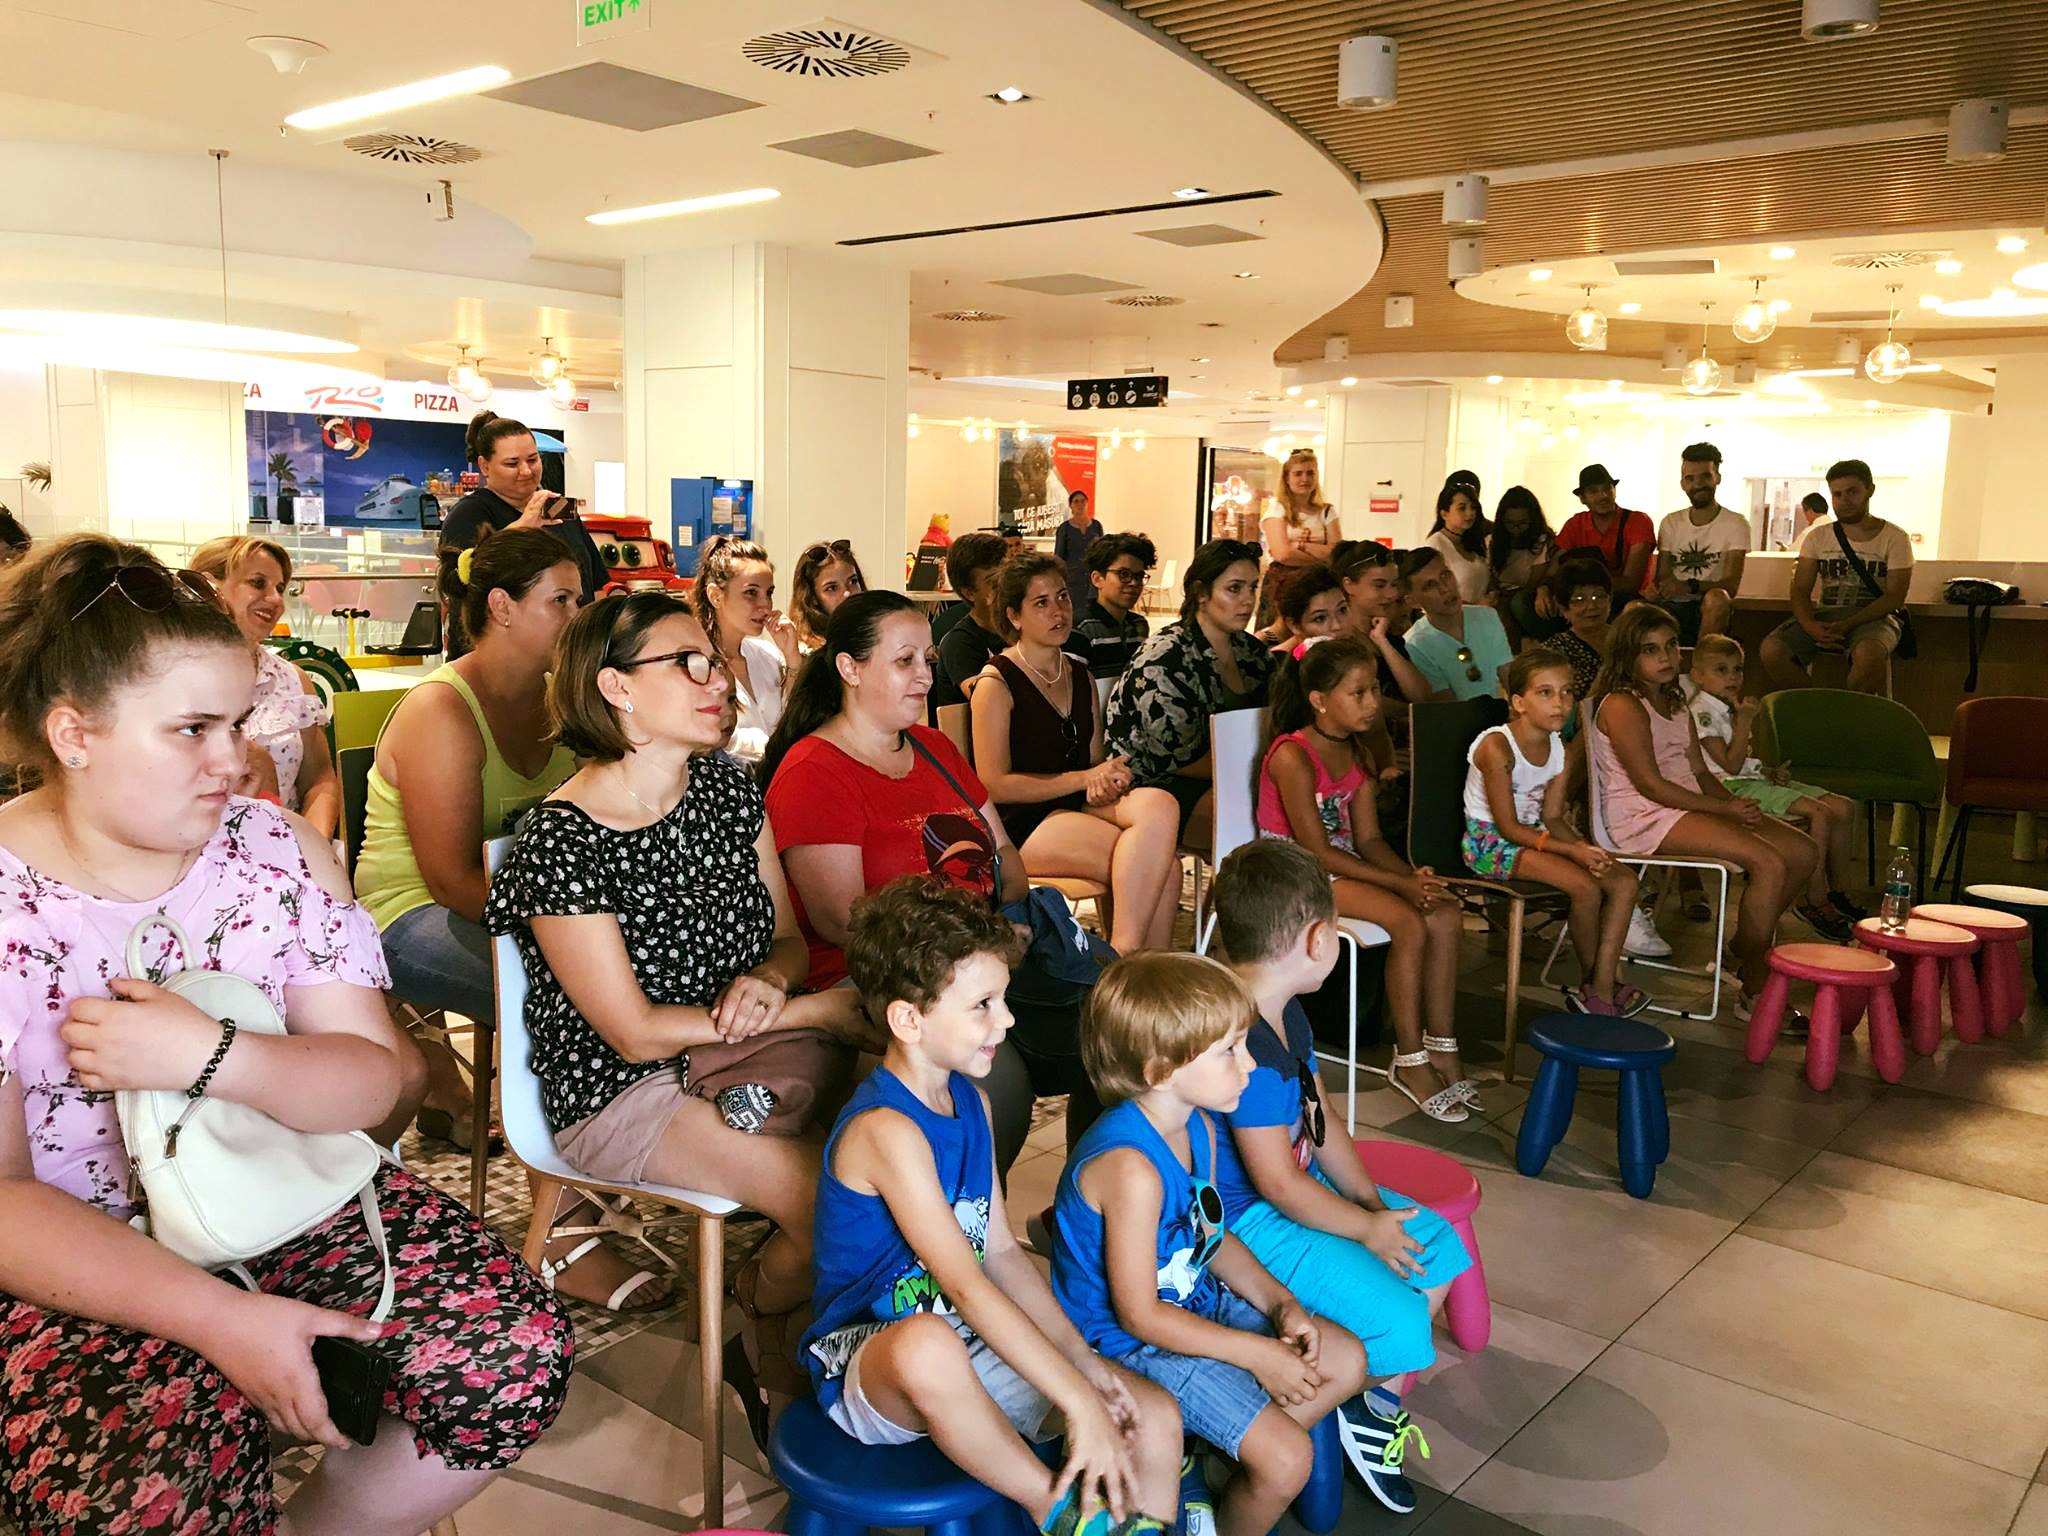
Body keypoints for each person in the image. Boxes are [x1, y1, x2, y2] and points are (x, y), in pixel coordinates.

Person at [0, 535, 570, 1535]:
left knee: (511, 1351)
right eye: (191, 729)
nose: (234, 760)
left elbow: (375, 1079)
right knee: (149, 1485)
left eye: (234, 723)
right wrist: (224, 1321)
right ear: (74, 733)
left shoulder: (271, 851)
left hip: (279, 1188)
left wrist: (216, 1058)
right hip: (73, 1251)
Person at [484, 591, 870, 1394]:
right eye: (687, 664)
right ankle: (758, 1309)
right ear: (615, 686)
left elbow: (787, 941)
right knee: (843, 1203)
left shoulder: (727, 789)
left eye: (714, 660)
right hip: (623, 1089)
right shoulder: (561, 840)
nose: (718, 679)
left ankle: (822, 1335)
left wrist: (769, 980)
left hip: (748, 1050)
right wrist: (809, 1010)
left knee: (918, 1136)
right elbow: (631, 1032)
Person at [802, 877, 1182, 1536]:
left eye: (1002, 1000)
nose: (1006, 1021)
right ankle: (1053, 1510)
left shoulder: (972, 1102)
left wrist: (1084, 1366)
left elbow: (1000, 1252)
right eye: (983, 1004)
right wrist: (1073, 1400)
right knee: (928, 1347)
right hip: (873, 1359)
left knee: (1152, 1415)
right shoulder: (886, 1132)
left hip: (965, 1336)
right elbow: (967, 1285)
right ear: (908, 1020)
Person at [356, 531, 647, 1306]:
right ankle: (563, 1234)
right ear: (502, 607)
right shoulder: (441, 711)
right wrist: (574, 933)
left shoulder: (561, 701)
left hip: (520, 912)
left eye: (581, 599)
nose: (578, 616)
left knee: (621, 980)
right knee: (563, 998)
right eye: (562, 600)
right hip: (405, 916)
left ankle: (616, 1165)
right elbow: (450, 879)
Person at [761, 591, 1086, 1173]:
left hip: (983, 956)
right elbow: (847, 923)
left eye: (928, 660)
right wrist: (975, 950)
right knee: (992, 1088)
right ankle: (961, 1219)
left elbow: (1005, 857)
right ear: (849, 668)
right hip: (884, 978)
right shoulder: (814, 772)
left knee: (1125, 1032)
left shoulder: (934, 748)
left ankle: (1091, 1205)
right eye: (904, 661)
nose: (925, 677)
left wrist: (996, 938)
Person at [1051, 951, 1368, 1536]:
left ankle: (1204, 1456)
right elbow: (1139, 1316)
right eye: (1230, 1050)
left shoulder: (1196, 1123)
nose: (1249, 1065)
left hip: (1192, 1301)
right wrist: (1257, 1355)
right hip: (1127, 1344)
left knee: (1346, 1360)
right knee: (1288, 1460)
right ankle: (1223, 1461)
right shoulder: (1131, 1170)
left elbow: (1210, 1240)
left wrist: (1281, 1303)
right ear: (1160, 1069)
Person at [1208, 843, 1472, 1515]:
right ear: (1318, 939)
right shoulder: (1245, 1043)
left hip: (1298, 1200)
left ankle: (1366, 1404)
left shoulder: (1286, 1012)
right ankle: (1286, 1423)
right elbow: (1276, 1186)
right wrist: (1364, 1229)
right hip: (1250, 1225)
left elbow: (1321, 1123)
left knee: (1435, 1245)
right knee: (1402, 1320)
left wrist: (1372, 1206)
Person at [1255, 636, 1473, 1119]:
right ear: (1319, 700)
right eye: (1359, 693)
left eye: (1374, 689)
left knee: (1443, 912)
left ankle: (1442, 1046)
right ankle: (1409, 1059)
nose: (1373, 702)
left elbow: (1370, 840)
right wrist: (1400, 887)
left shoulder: (1355, 751)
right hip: (1293, 875)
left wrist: (1412, 877)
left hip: (1338, 866)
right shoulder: (1293, 755)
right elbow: (1316, 851)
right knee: (1408, 921)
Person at [1592, 605, 1820, 1016]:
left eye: (1670, 646)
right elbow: (1649, 785)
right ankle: (1754, 988)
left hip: (1683, 802)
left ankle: (1740, 949)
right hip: (1643, 815)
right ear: (1628, 656)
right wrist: (1724, 811)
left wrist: (1730, 804)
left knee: (1803, 851)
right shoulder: (1622, 704)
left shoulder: (1675, 699)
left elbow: (1698, 771)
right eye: (1650, 650)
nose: (1665, 657)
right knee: (1768, 861)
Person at [971, 553, 1182, 954]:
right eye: (1041, 603)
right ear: (1014, 616)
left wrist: (1106, 779)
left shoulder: (1079, 673)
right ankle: (1124, 961)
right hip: (1020, 823)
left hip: (1074, 804)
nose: (1059, 611)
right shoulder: (996, 683)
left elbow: (1092, 762)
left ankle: (1136, 971)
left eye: (1063, 597)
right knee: (1164, 869)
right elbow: (992, 785)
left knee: (1161, 803)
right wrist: (1084, 779)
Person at [1463, 650, 1646, 1015]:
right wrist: (1570, 852)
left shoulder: (1559, 747)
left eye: (1567, 692)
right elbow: (1508, 828)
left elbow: (1553, 816)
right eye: (1545, 693)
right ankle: (1599, 991)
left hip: (1535, 835)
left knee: (1624, 881)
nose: (1560, 703)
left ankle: (1601, 982)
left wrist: (1583, 847)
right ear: (1519, 702)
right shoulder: (1497, 746)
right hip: (1491, 843)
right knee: (1585, 887)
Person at [1683, 636, 1862, 938]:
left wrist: (1768, 771)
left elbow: (1741, 761)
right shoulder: (1702, 712)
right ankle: (1814, 897)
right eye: (1721, 670)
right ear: (1697, 675)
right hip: (1731, 788)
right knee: (1820, 813)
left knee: (1844, 807)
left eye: (1737, 670)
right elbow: (1729, 767)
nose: (1732, 677)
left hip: (1752, 779)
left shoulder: (1727, 705)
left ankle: (1838, 893)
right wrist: (1745, 721)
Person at [1105, 539, 1276, 850]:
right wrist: (1265, 769)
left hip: (1234, 773)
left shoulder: (1251, 652)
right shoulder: (1164, 657)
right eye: (1234, 589)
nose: (1248, 600)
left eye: (1253, 587)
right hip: (1155, 784)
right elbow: (1174, 759)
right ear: (1201, 592)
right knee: (1266, 816)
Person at [189, 534, 340, 835]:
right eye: (258, 583)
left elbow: (320, 781)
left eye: (280, 588)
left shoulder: (293, 680)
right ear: (208, 587)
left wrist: (310, 847)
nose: (276, 600)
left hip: (282, 849)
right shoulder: (167, 680)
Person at [438, 411, 604, 655]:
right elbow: (465, 583)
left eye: (533, 460)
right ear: (485, 466)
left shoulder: (560, 510)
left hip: (569, 651)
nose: (526, 471)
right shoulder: (468, 514)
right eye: (512, 464)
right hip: (494, 658)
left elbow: (597, 582)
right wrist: (523, 526)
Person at [1759, 459, 1911, 695]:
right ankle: (1816, 704)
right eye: (1837, 494)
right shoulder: (1817, 537)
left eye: (1852, 492)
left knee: (1869, 655)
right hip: (1827, 614)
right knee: (1772, 649)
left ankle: (1846, 711)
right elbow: (1800, 588)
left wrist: (1849, 623)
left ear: (1869, 490)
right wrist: (1810, 625)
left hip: (1875, 618)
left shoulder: (1895, 537)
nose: (1844, 500)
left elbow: (1895, 597)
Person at [692, 534, 799, 766]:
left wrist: (793, 659)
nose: (765, 605)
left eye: (769, 593)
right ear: (715, 596)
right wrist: (778, 749)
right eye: (751, 593)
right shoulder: (696, 665)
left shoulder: (768, 655)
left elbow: (793, 721)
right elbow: (716, 738)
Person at [1653, 442, 1751, 646]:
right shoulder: (1670, 522)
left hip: (1710, 604)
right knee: (1634, 608)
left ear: (1717, 478)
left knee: (1718, 598)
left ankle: (1702, 661)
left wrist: (1690, 586)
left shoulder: (1736, 523)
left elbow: (1731, 586)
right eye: (1690, 479)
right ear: (1682, 484)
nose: (1698, 484)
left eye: (1705, 476)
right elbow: (1662, 577)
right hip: (1672, 605)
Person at [1397, 547, 1514, 703]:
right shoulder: (1415, 644)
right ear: (1412, 601)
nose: (1445, 588)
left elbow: (1509, 677)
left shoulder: (1487, 616)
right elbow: (1447, 705)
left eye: (1446, 575)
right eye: (1430, 585)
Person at [1555, 464, 1655, 612]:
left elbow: (1631, 584)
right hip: (1583, 599)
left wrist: (1584, 590)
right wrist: (1544, 589)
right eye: (1594, 491)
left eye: (1607, 489)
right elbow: (1554, 569)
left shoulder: (1637, 521)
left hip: (1628, 600)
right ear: (1582, 498)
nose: (1603, 496)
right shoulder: (1574, 524)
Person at [1258, 450, 1340, 622]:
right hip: (1284, 582)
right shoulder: (1277, 509)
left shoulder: (1327, 511)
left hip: (1319, 582)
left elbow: (1337, 553)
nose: (1305, 479)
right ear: (1287, 479)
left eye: (1310, 473)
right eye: (1298, 474)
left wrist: (1301, 546)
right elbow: (1283, 555)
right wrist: (1322, 556)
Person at [934, 531, 1011, 709]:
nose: (1006, 587)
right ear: (969, 592)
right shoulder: (959, 643)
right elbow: (988, 702)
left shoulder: (1023, 629)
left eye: (1008, 577)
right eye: (994, 582)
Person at [1076, 532, 1157, 676]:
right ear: (1097, 579)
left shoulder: (1138, 625)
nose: (1134, 583)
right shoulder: (1082, 628)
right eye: (1123, 574)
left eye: (1139, 576)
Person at [1545, 558, 1614, 722]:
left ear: (1610, 599)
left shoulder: (1628, 637)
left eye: (1599, 596)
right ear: (1564, 608)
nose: (1592, 606)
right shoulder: (1554, 651)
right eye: (1580, 600)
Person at [1490, 486, 1559, 645]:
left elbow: (1534, 582)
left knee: (1518, 603)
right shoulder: (1493, 542)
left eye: (1522, 523)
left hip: (1528, 596)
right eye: (1510, 523)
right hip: (1500, 596)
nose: (1516, 529)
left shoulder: (1541, 542)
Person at [791, 537, 868, 653]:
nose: (847, 593)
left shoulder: (877, 634)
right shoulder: (803, 652)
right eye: (832, 588)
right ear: (812, 597)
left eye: (853, 581)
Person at [1424, 484, 1492, 606]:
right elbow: (1431, 592)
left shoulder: (1477, 542)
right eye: (1462, 508)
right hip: (1453, 613)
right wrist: (1476, 605)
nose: (1470, 513)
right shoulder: (1435, 545)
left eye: (1473, 508)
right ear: (1444, 514)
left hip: (1481, 613)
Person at [1268, 560, 1348, 651]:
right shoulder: (1280, 659)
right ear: (1294, 625)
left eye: (1343, 610)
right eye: (1320, 618)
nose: (1337, 626)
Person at [1054, 489, 1105, 612]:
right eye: (1076, 501)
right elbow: (1058, 557)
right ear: (1070, 505)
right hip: (1072, 579)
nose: (1080, 504)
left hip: (1093, 578)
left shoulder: (1096, 526)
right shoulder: (1064, 528)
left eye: (1082, 501)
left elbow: (1102, 552)